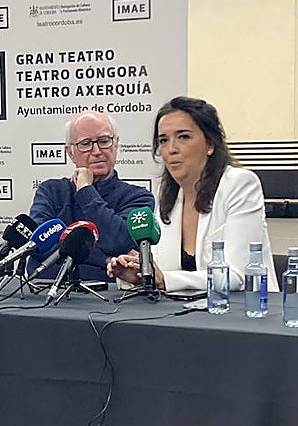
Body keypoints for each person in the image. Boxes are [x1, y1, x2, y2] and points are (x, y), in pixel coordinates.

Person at [106, 97, 275, 293]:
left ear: (210, 144)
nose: (171, 149)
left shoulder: (240, 184)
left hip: (243, 314)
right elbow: (161, 270)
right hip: (182, 316)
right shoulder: (168, 194)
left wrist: (165, 279)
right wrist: (139, 273)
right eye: (163, 140)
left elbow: (236, 275)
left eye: (184, 137)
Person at [29, 110, 154, 282]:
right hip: (45, 291)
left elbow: (119, 242)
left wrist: (85, 190)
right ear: (70, 152)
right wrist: (105, 259)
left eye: (104, 141)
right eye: (85, 144)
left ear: (116, 144)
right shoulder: (50, 191)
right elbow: (40, 246)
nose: (96, 151)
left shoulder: (139, 197)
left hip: (109, 301)